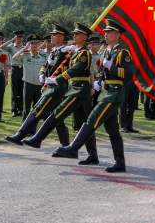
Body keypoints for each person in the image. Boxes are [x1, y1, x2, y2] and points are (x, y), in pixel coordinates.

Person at [52, 19, 132, 173]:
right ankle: (119, 163)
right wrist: (99, 81)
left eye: (109, 32)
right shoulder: (107, 50)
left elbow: (129, 73)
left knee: (92, 119)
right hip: (105, 91)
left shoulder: (123, 52)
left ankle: (73, 148)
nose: (106, 34)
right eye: (106, 32)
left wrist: (112, 67)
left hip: (114, 93)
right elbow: (103, 71)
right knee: (113, 130)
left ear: (117, 35)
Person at [21, 23, 98, 165]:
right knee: (84, 122)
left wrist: (57, 79)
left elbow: (75, 71)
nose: (73, 36)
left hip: (80, 90)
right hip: (75, 88)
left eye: (76, 34)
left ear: (84, 37)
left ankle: (37, 139)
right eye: (73, 34)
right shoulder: (76, 51)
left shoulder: (84, 53)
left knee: (57, 113)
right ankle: (92, 155)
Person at [4, 24, 73, 145]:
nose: (51, 36)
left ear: (62, 37)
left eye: (54, 34)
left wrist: (57, 79)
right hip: (50, 86)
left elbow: (70, 69)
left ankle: (21, 136)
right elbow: (46, 65)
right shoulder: (55, 51)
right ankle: (65, 144)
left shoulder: (66, 51)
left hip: (56, 87)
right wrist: (42, 74)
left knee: (38, 109)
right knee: (56, 116)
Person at [11, 34, 46, 131]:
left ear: (39, 44)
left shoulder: (43, 57)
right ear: (29, 45)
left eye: (36, 43)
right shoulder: (25, 55)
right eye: (32, 43)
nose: (34, 45)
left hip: (39, 86)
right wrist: (24, 49)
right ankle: (24, 129)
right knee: (26, 108)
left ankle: (33, 130)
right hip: (28, 84)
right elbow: (14, 58)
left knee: (36, 109)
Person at [4, 30, 25, 117]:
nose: (19, 38)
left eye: (21, 37)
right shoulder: (11, 47)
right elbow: (2, 47)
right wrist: (11, 40)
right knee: (14, 90)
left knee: (21, 90)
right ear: (15, 37)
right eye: (18, 37)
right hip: (15, 69)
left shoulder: (25, 47)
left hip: (23, 69)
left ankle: (20, 109)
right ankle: (14, 109)